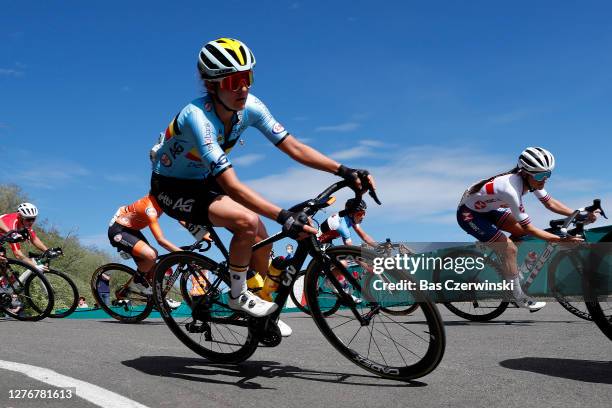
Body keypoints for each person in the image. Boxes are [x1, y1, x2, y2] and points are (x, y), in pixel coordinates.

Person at [149, 38, 375, 336]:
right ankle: (236, 295)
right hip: (172, 187)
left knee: (264, 241)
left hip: (203, 179)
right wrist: (283, 216)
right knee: (247, 221)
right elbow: (231, 184)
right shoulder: (197, 118)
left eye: (248, 78)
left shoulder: (251, 107)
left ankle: (260, 304)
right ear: (212, 84)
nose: (243, 88)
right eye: (234, 81)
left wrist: (344, 170)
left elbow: (293, 147)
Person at [457, 147, 596, 311]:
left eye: (547, 174)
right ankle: (518, 296)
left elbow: (549, 203)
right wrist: (561, 240)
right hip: (470, 215)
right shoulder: (511, 189)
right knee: (510, 249)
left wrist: (580, 215)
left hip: (488, 208)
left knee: (519, 234)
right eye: (539, 175)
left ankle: (507, 268)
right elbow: (530, 228)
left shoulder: (532, 179)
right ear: (524, 172)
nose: (544, 179)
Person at [108, 193, 182, 308]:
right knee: (152, 255)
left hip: (132, 230)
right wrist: (182, 254)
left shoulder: (164, 200)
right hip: (119, 231)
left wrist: (202, 234)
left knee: (152, 266)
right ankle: (138, 281)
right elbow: (160, 240)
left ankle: (157, 295)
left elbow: (181, 218)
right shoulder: (150, 209)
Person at [0, 203, 50, 273]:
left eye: (33, 219)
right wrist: (35, 266)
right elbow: (17, 254)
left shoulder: (24, 222)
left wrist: (48, 251)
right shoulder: (12, 224)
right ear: (20, 216)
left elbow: (34, 239)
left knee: (4, 266)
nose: (31, 222)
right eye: (28, 219)